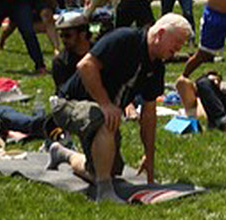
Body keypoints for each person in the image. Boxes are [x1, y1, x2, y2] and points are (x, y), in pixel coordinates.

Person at [50, 13, 193, 201]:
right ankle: (105, 194)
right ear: (160, 33)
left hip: (102, 112)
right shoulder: (124, 39)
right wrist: (105, 104)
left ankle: (62, 153)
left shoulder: (157, 67)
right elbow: (85, 66)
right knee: (104, 120)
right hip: (68, 103)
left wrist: (149, 156)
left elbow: (149, 114)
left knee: (108, 170)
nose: (178, 48)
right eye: (177, 42)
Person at [50, 13, 94, 89]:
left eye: (67, 35)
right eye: (61, 36)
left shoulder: (100, 52)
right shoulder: (60, 61)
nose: (63, 40)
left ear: (82, 34)